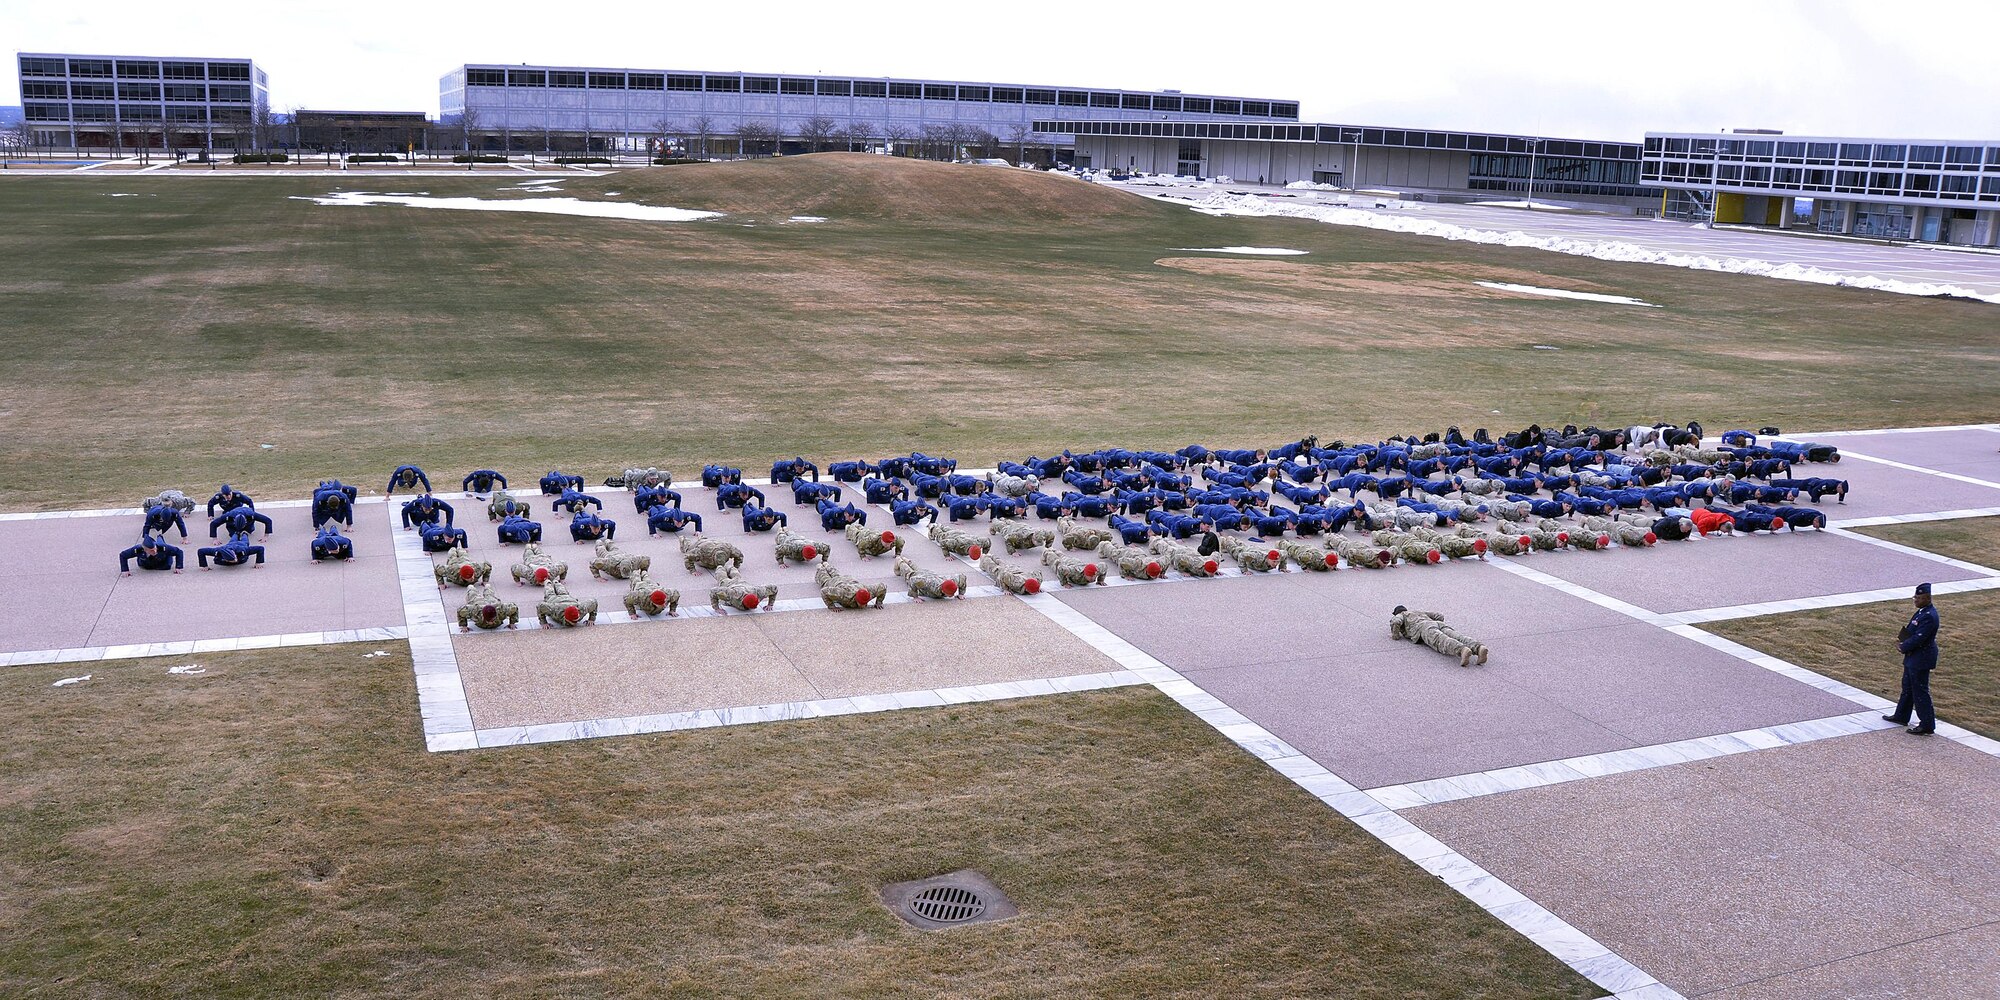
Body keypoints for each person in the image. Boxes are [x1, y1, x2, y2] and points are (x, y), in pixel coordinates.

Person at [1884, 583, 1940, 735]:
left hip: (1921, 658)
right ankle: (1901, 715)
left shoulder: (1929, 616)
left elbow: (1919, 638)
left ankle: (1927, 725)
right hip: (1914, 657)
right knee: (1907, 687)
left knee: (1920, 692)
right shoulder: (1921, 612)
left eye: (1919, 598)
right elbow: (1912, 630)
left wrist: (1903, 646)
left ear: (1927, 598)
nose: (1915, 600)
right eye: (1915, 597)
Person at [1390, 605, 1489, 667]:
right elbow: (1439, 616)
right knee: (1457, 636)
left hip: (1423, 628)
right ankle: (1479, 648)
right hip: (1437, 623)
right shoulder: (1418, 611)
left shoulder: (1401, 615)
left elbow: (1396, 622)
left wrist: (1395, 636)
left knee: (1441, 640)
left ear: (1396, 613)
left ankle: (1462, 650)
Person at [119, 534, 185, 574]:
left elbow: (179, 552)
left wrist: (178, 567)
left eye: (155, 549)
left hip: (163, 564)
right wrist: (125, 570)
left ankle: (160, 536)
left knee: (160, 542)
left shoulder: (162, 547)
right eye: (151, 550)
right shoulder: (138, 549)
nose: (155, 551)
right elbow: (123, 555)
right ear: (144, 549)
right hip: (146, 565)